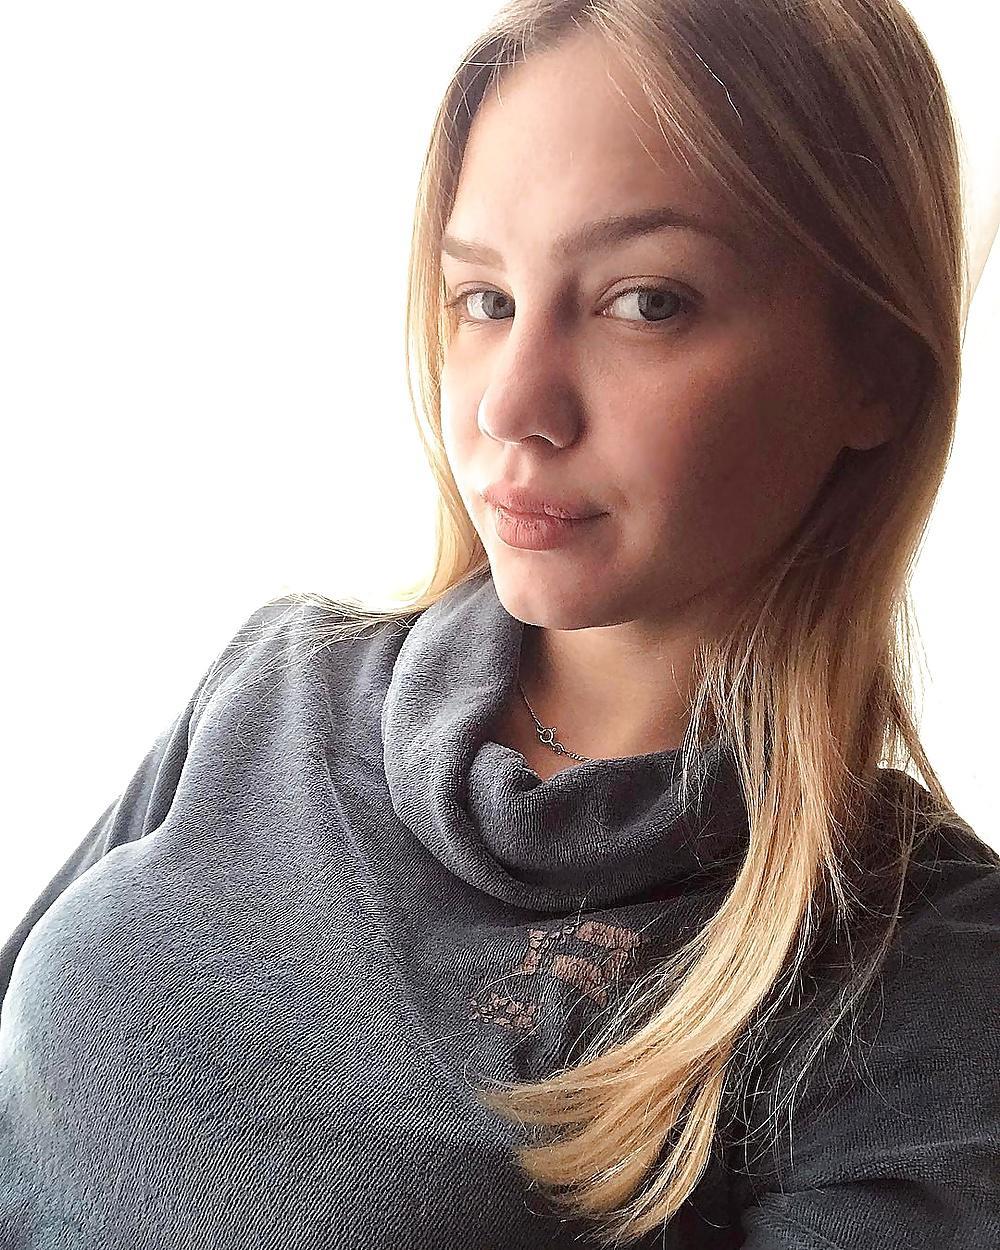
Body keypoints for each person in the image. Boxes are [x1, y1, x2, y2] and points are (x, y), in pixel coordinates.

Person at [2, 1, 997, 1247]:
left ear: (877, 371)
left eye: (646, 302)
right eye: (482, 299)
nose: (512, 403)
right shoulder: (278, 680)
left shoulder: (920, 977)